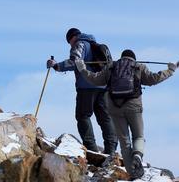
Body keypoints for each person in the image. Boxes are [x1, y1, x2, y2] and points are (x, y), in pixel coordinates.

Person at [75, 49, 178, 179]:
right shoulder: (138, 67)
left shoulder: (111, 66)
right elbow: (154, 79)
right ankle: (137, 155)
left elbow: (95, 80)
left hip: (114, 107)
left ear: (122, 58)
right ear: (133, 59)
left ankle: (132, 173)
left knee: (124, 142)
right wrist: (170, 70)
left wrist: (82, 68)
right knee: (138, 136)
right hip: (133, 106)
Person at [47, 28, 117, 154]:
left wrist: (57, 66)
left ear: (72, 38)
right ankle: (111, 149)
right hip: (103, 86)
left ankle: (91, 148)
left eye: (70, 42)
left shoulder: (80, 44)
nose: (71, 45)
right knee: (105, 118)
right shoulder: (96, 45)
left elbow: (75, 62)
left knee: (83, 116)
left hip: (86, 86)